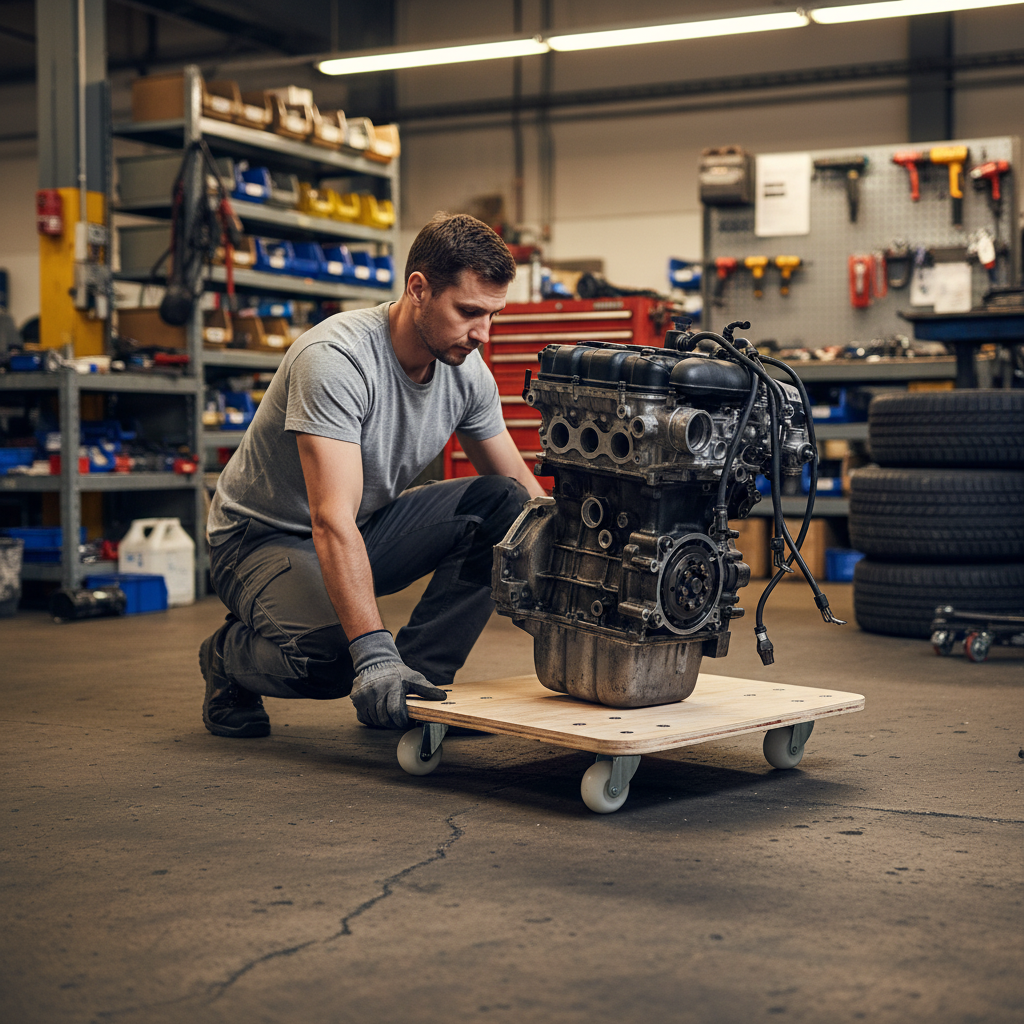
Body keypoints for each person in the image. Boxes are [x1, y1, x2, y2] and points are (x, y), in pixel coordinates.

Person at [199, 212, 546, 737]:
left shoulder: (466, 372)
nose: (483, 334)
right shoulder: (336, 360)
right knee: (335, 661)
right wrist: (371, 651)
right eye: (469, 311)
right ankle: (227, 656)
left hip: (360, 526)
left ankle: (416, 686)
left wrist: (569, 560)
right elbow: (329, 520)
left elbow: (523, 495)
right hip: (261, 539)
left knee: (504, 507)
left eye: (493, 315)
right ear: (419, 289)